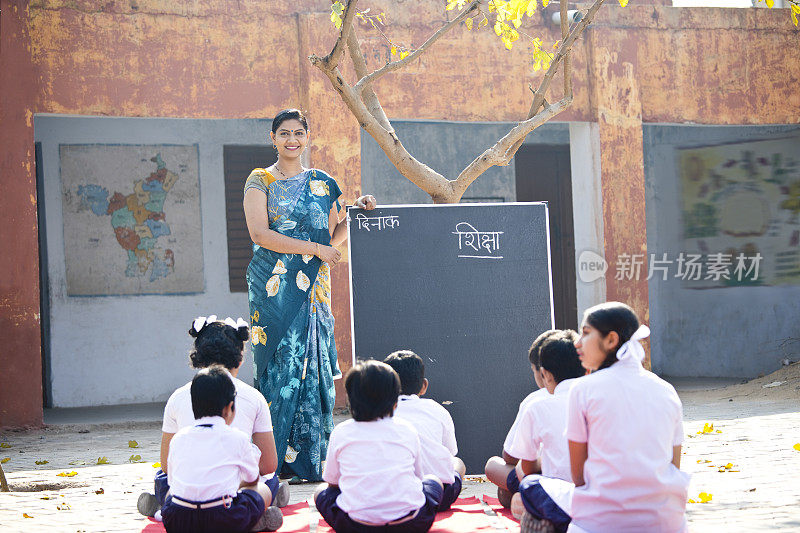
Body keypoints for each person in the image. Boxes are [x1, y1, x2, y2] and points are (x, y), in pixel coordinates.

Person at [243, 108, 377, 482]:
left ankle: (309, 460)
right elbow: (259, 234)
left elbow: (334, 237)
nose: (292, 139)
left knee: (311, 366)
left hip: (313, 287)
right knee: (280, 365)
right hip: (272, 286)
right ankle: (272, 460)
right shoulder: (260, 180)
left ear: (307, 137)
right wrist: (315, 250)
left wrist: (356, 212)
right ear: (273, 138)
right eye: (284, 133)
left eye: (298, 133)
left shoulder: (323, 183)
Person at [512, 302, 690, 533]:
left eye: (586, 333)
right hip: (666, 522)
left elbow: (579, 478)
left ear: (611, 340)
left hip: (602, 523)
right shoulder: (667, 390)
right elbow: (673, 466)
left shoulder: (584, 390)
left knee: (529, 485)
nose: (578, 343)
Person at [137, 316, 288, 519]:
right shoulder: (253, 398)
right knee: (268, 481)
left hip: (186, 499)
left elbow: (167, 465)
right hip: (231, 497)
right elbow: (268, 465)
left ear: (197, 356)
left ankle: (163, 505)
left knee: (163, 479)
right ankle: (263, 507)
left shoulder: (177, 398)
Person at [314, 360, 443, 532]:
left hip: (354, 525)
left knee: (320, 492)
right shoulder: (407, 430)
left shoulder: (341, 432)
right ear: (395, 401)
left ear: (351, 400)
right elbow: (418, 478)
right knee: (433, 481)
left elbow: (332, 483)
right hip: (411, 523)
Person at [160, 366, 283, 533]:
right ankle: (253, 521)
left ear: (194, 406)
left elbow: (173, 481)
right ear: (229, 408)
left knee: (170, 493)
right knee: (263, 489)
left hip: (178, 521)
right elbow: (252, 479)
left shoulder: (178, 439)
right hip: (225, 519)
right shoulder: (238, 438)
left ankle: (159, 511)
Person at [383, 350, 466, 512]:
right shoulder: (438, 410)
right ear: (424, 386)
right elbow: (450, 453)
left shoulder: (377, 413)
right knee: (458, 463)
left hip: (392, 496)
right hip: (438, 495)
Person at [484, 330, 558, 508]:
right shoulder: (590, 393)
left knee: (493, 467)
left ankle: (529, 504)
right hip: (590, 482)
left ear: (543, 373)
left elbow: (511, 457)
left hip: (548, 482)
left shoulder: (535, 400)